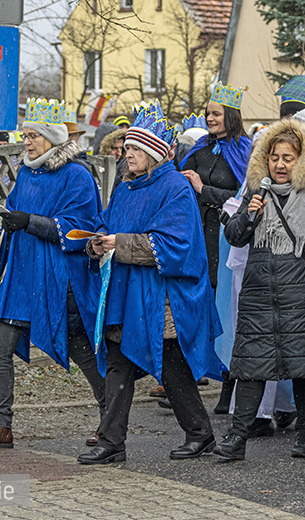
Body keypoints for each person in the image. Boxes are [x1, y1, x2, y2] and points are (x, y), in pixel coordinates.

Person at [77, 101, 221, 464]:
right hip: (127, 291)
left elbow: (177, 245)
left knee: (171, 365)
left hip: (164, 295)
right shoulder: (124, 188)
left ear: (154, 153)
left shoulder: (175, 188)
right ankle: (112, 441)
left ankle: (200, 433)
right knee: (118, 362)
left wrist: (120, 243)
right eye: (126, 148)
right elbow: (109, 224)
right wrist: (98, 242)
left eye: (135, 149)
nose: (128, 154)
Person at [0, 98, 106, 449]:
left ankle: (112, 420)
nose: (26, 142)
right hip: (21, 275)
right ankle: (1, 425)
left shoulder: (77, 175)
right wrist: (4, 223)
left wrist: (32, 223)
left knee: (82, 350)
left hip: (58, 278)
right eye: (25, 135)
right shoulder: (26, 172)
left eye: (33, 136)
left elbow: (81, 230)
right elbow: (14, 212)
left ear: (53, 138)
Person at [213, 118, 305, 460]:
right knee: (253, 363)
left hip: (300, 288)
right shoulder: (256, 190)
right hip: (259, 289)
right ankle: (237, 438)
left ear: (301, 161)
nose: (280, 165)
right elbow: (235, 235)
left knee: (304, 364)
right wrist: (250, 215)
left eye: (288, 158)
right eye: (275, 157)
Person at [180, 81, 252, 289]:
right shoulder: (201, 147)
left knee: (220, 285)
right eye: (208, 114)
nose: (209, 119)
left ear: (230, 116)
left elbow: (242, 197)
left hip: (225, 231)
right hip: (197, 228)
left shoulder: (245, 151)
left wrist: (204, 189)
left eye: (216, 114)